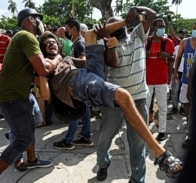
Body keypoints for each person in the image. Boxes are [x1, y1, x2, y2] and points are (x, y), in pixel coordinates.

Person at [38, 23, 182, 178]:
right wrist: (43, 73)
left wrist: (108, 45)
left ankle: (137, 178)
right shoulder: (45, 66)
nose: (51, 43)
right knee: (123, 98)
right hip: (76, 83)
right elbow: (46, 96)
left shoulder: (66, 59)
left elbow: (87, 61)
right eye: (47, 43)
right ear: (42, 50)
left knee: (91, 34)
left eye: (53, 41)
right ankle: (161, 155)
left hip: (88, 76)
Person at [0, 8, 54, 183]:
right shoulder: (25, 36)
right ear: (30, 19)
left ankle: (32, 159)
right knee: (22, 138)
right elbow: (43, 69)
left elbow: (33, 73)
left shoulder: (26, 38)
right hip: (9, 95)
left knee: (34, 121)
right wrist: (56, 61)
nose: (40, 23)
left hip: (21, 93)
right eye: (38, 19)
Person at [96, 6, 156, 182]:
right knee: (103, 142)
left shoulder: (137, 34)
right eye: (111, 27)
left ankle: (137, 179)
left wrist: (134, 9)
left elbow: (152, 15)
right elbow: (112, 63)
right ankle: (103, 164)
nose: (116, 28)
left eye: (118, 25)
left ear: (124, 25)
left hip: (137, 99)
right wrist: (108, 42)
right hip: (115, 100)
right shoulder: (108, 44)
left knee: (138, 143)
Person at [53, 18, 93, 150]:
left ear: (74, 29)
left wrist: (68, 60)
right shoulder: (76, 42)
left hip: (77, 81)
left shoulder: (79, 43)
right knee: (84, 109)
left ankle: (68, 140)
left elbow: (83, 61)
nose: (66, 32)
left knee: (74, 109)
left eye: (67, 29)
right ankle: (86, 137)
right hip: (80, 80)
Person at [145, 18, 175, 141]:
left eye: (163, 26)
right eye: (160, 26)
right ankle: (145, 129)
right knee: (145, 106)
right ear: (154, 28)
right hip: (147, 80)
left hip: (162, 80)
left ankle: (162, 131)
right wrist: (144, 54)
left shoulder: (167, 42)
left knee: (162, 107)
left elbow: (173, 59)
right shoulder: (146, 41)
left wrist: (167, 56)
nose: (163, 28)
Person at [174, 23, 196, 148]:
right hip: (187, 79)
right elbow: (178, 58)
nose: (195, 31)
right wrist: (175, 72)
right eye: (194, 28)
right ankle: (189, 123)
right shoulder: (185, 42)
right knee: (186, 102)